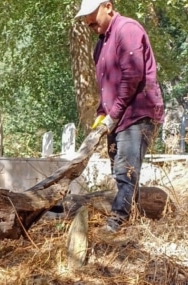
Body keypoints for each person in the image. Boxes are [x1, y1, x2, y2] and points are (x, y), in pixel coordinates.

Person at [75, 0, 164, 232]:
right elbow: (106, 87)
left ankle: (116, 222)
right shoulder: (100, 45)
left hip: (137, 114)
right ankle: (130, 221)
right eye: (87, 22)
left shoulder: (127, 29)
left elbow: (132, 76)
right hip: (118, 115)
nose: (90, 24)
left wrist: (112, 114)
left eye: (93, 18)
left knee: (126, 171)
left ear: (108, 6)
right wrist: (101, 113)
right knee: (120, 172)